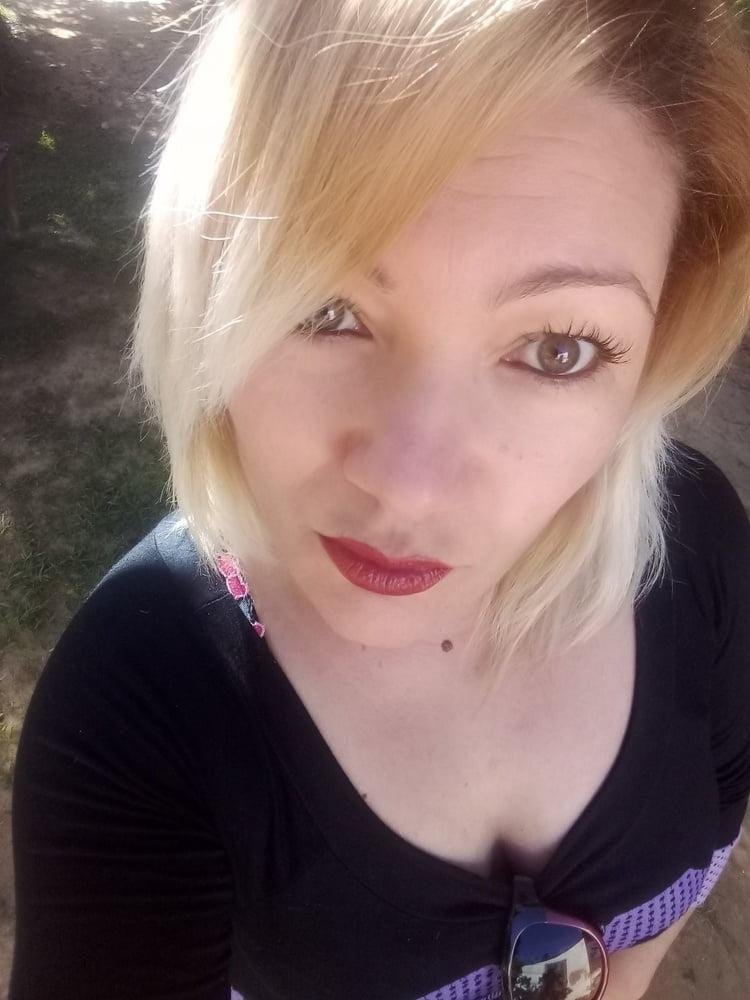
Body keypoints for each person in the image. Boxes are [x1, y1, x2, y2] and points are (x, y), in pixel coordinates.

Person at [9, 1, 750, 998]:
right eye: (327, 308)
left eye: (556, 349)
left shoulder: (700, 540)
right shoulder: (135, 712)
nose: (406, 485)